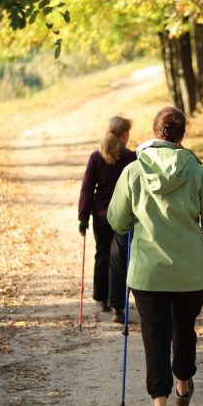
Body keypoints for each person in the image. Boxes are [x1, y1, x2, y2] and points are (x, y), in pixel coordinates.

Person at [107, 107, 203, 406]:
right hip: (190, 274)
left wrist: (135, 218)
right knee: (184, 329)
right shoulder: (197, 171)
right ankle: (183, 383)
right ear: (181, 135)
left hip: (148, 273)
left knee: (154, 337)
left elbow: (117, 219)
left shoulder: (133, 171)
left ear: (156, 132)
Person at [78, 116, 136, 324]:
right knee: (119, 260)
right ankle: (117, 307)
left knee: (102, 254)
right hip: (122, 215)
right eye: (128, 133)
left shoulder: (96, 157)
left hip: (101, 215)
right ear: (122, 135)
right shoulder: (131, 158)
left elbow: (87, 188)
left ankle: (100, 298)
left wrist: (83, 217)